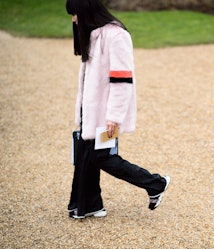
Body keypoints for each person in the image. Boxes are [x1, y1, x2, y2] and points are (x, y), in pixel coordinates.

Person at [66, 0, 170, 219]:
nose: (73, 19)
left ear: (85, 11)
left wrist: (114, 117)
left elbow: (122, 80)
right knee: (87, 155)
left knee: (102, 156)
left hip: (105, 115)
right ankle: (90, 205)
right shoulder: (94, 35)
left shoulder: (115, 36)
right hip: (91, 112)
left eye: (74, 14)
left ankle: (156, 183)